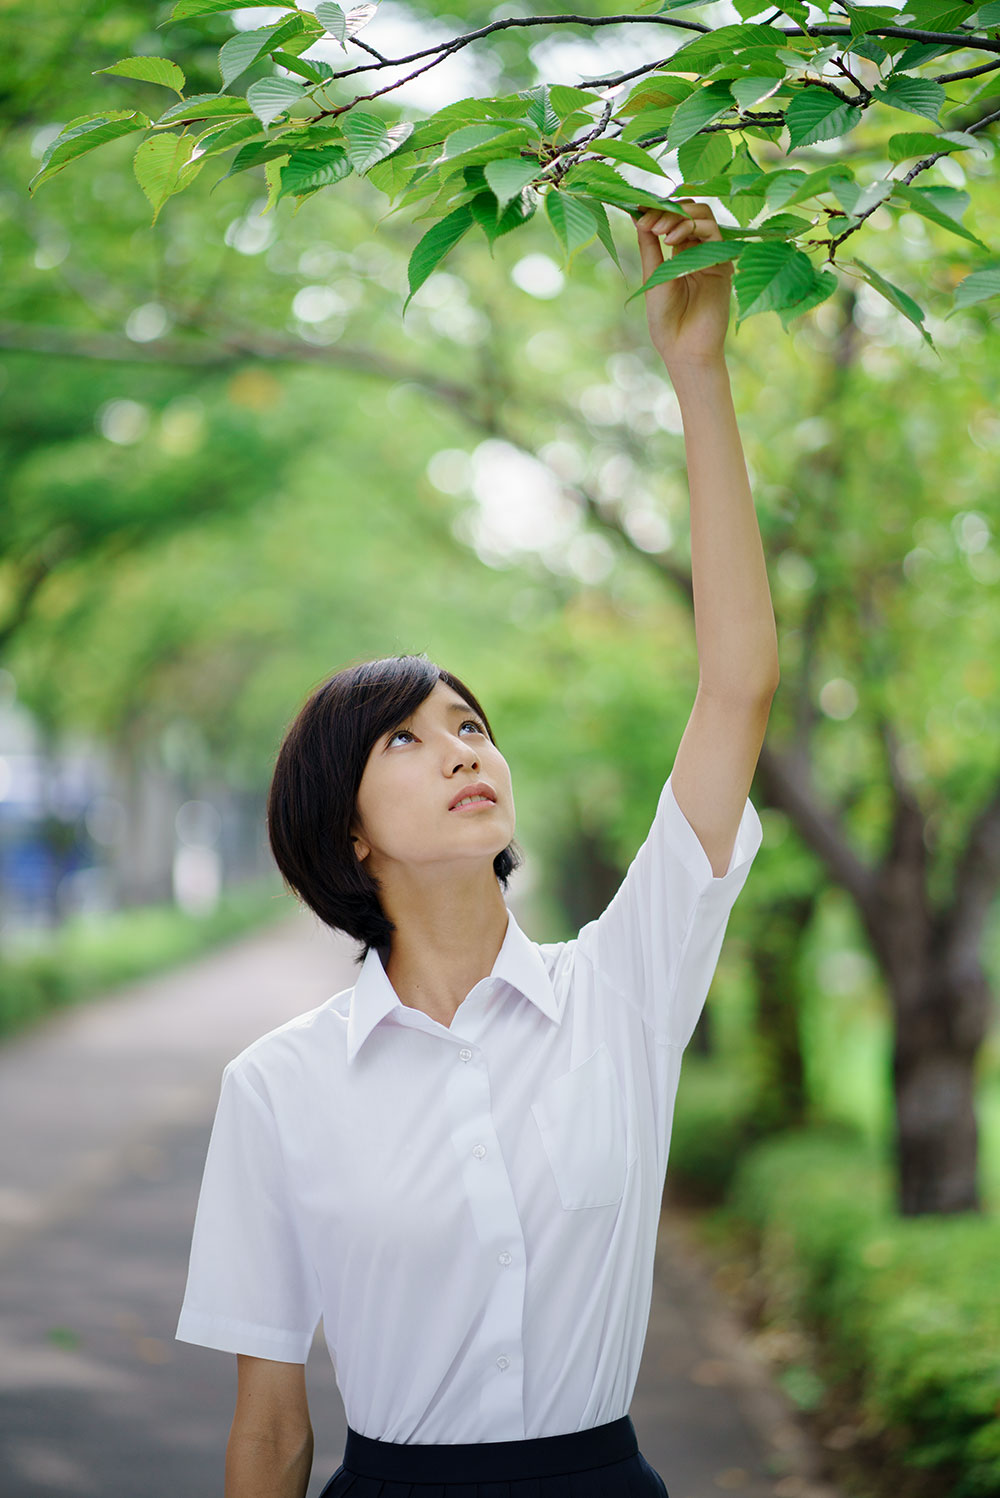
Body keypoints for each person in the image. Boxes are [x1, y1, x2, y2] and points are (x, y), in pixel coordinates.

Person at [175, 199, 780, 1498]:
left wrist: (698, 376)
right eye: (404, 739)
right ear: (343, 825)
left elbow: (735, 688)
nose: (459, 748)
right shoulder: (279, 1087)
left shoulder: (624, 990)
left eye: (469, 723)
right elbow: (271, 1429)